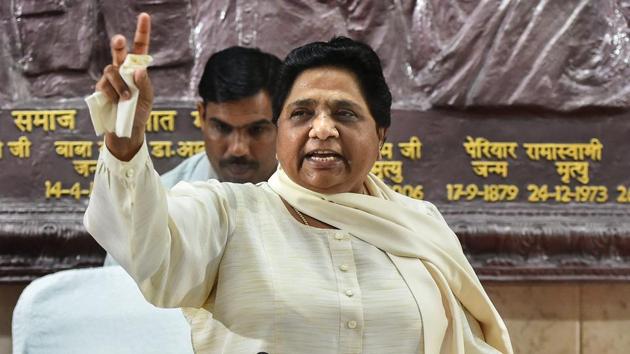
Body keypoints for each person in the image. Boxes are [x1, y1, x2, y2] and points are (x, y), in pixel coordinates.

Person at [85, 13, 513, 354]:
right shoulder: (225, 213)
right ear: (281, 129)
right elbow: (151, 257)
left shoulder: (420, 225)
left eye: (344, 113)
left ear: (380, 133)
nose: (322, 129)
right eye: (302, 113)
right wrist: (126, 141)